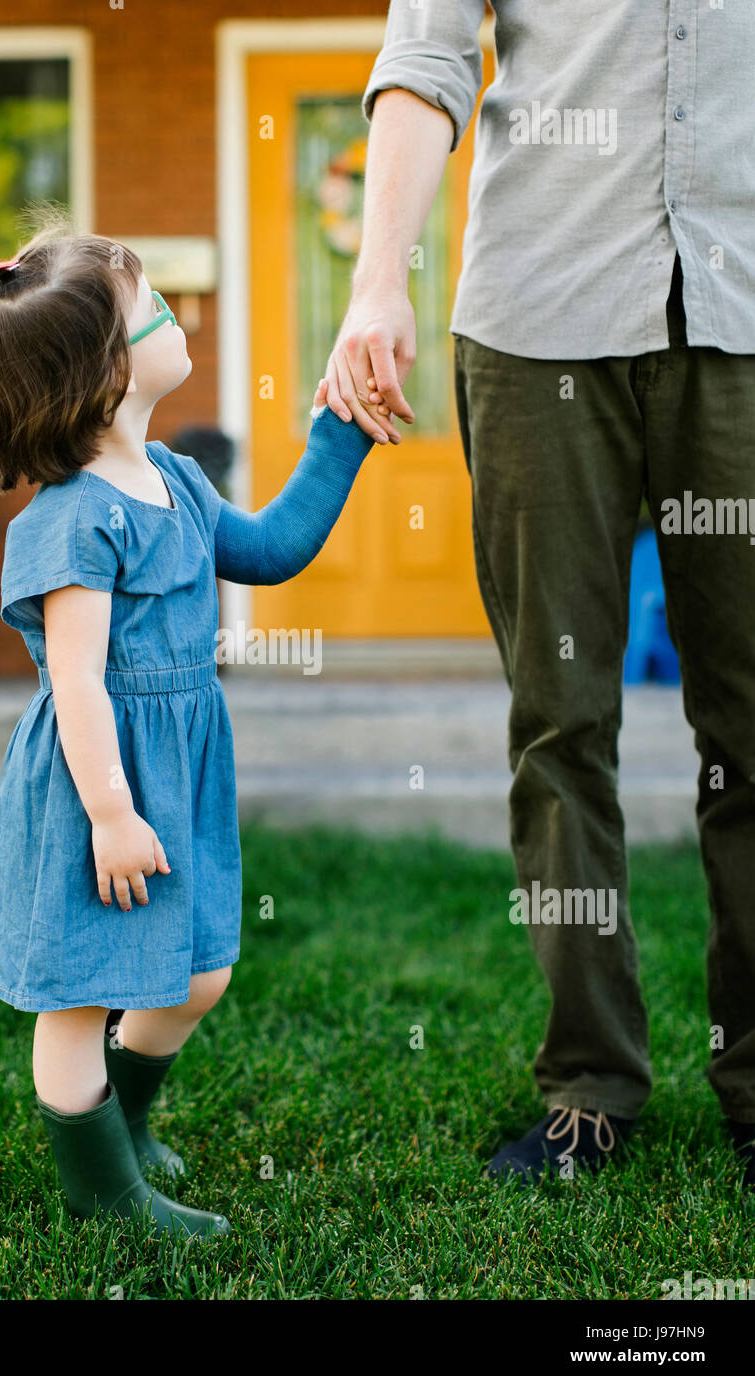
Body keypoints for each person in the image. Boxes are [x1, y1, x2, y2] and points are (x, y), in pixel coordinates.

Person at [322, 1, 755, 1186]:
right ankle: (589, 1089)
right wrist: (375, 285)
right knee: (560, 724)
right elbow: (424, 59)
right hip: (536, 323)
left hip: (744, 320)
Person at [0, 213, 374, 1237]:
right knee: (81, 998)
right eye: (155, 310)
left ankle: (121, 1125)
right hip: (97, 786)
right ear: (104, 375)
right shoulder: (75, 518)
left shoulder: (171, 478)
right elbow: (77, 685)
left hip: (175, 767)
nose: (177, 316)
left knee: (197, 969)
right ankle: (103, 1191)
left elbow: (268, 548)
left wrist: (339, 436)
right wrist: (113, 813)